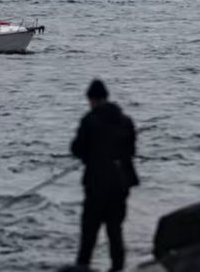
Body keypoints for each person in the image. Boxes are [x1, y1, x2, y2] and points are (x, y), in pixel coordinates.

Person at [71, 79, 139, 272]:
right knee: (115, 230)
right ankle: (118, 268)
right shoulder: (126, 121)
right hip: (121, 184)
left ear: (92, 99)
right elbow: (131, 151)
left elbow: (77, 149)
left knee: (89, 232)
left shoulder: (89, 120)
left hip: (96, 184)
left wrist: (89, 156)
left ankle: (82, 267)